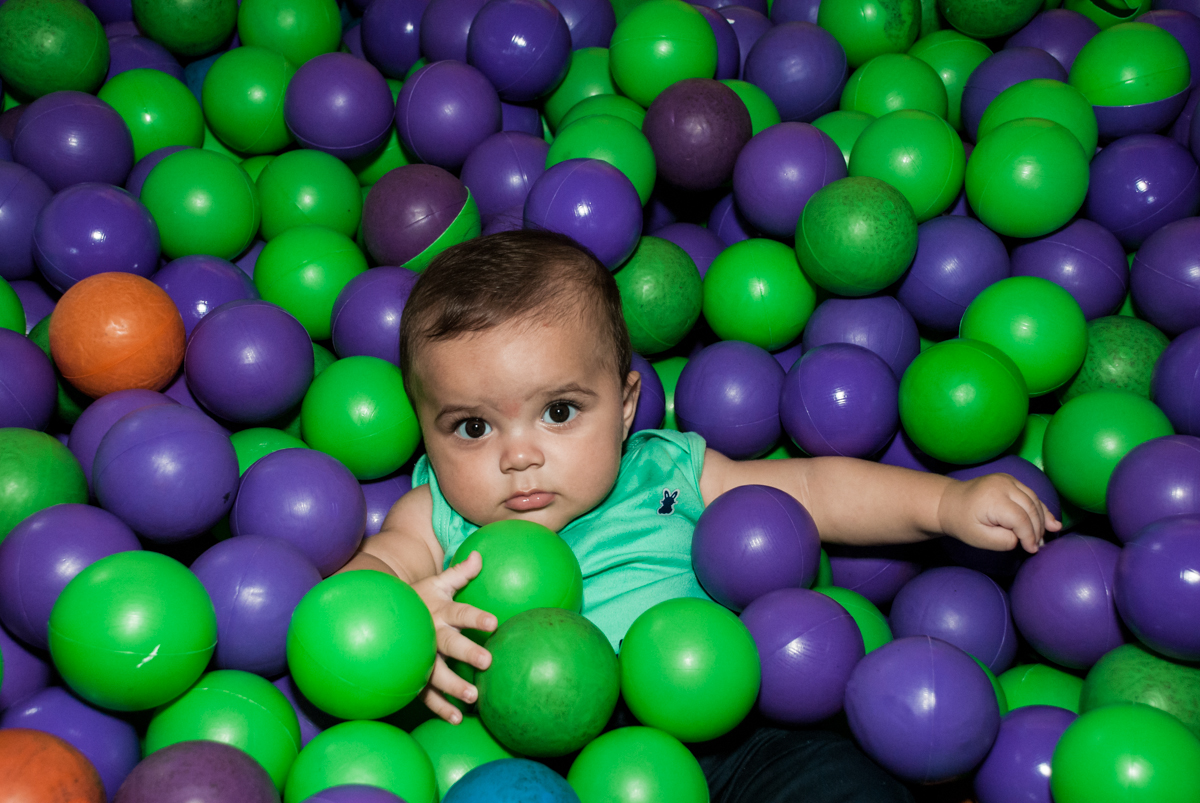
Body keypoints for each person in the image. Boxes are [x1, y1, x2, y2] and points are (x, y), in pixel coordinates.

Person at [341, 229, 1059, 802]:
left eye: (559, 412)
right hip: (523, 758)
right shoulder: (433, 515)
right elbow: (353, 593)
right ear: (425, 431)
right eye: (471, 427)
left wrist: (943, 501)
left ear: (624, 407)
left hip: (729, 735)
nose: (518, 456)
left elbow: (810, 489)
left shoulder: (665, 474)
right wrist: (411, 619)